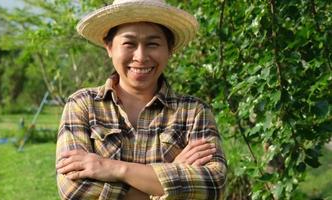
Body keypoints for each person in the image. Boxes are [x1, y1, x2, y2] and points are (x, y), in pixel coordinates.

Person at [55, 0, 227, 199]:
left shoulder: (194, 112)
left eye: (153, 44)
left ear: (169, 49)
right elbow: (74, 189)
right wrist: (168, 178)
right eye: (129, 43)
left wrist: (114, 168)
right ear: (109, 47)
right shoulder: (82, 104)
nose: (141, 56)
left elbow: (214, 184)